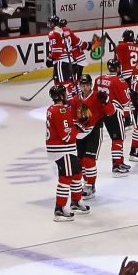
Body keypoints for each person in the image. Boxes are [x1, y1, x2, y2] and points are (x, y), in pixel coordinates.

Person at [45, 84, 89, 221]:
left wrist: (76, 122)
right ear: (61, 96)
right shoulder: (61, 111)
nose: (67, 96)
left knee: (77, 173)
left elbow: (66, 125)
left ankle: (75, 201)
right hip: (63, 150)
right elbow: (66, 136)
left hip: (63, 149)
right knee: (65, 178)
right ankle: (59, 209)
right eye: (65, 94)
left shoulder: (53, 109)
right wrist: (80, 126)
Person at [95, 59, 132, 177]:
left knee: (115, 137)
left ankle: (120, 161)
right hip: (115, 112)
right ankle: (116, 165)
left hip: (103, 113)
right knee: (118, 138)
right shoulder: (119, 80)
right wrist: (127, 114)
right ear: (117, 68)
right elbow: (126, 100)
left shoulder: (98, 79)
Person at [75, 74, 107, 200]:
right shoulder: (76, 98)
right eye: (83, 85)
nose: (85, 88)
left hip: (94, 131)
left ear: (91, 85)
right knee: (81, 161)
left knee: (89, 160)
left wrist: (106, 100)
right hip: (81, 133)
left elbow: (110, 112)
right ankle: (86, 182)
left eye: (87, 85)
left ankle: (91, 185)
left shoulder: (97, 96)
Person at [46, 16, 80, 102]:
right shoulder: (64, 30)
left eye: (50, 23)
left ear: (53, 23)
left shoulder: (52, 33)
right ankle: (78, 98)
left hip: (62, 62)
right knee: (71, 82)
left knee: (64, 84)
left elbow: (57, 51)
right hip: (71, 61)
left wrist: (50, 59)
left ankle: (71, 102)